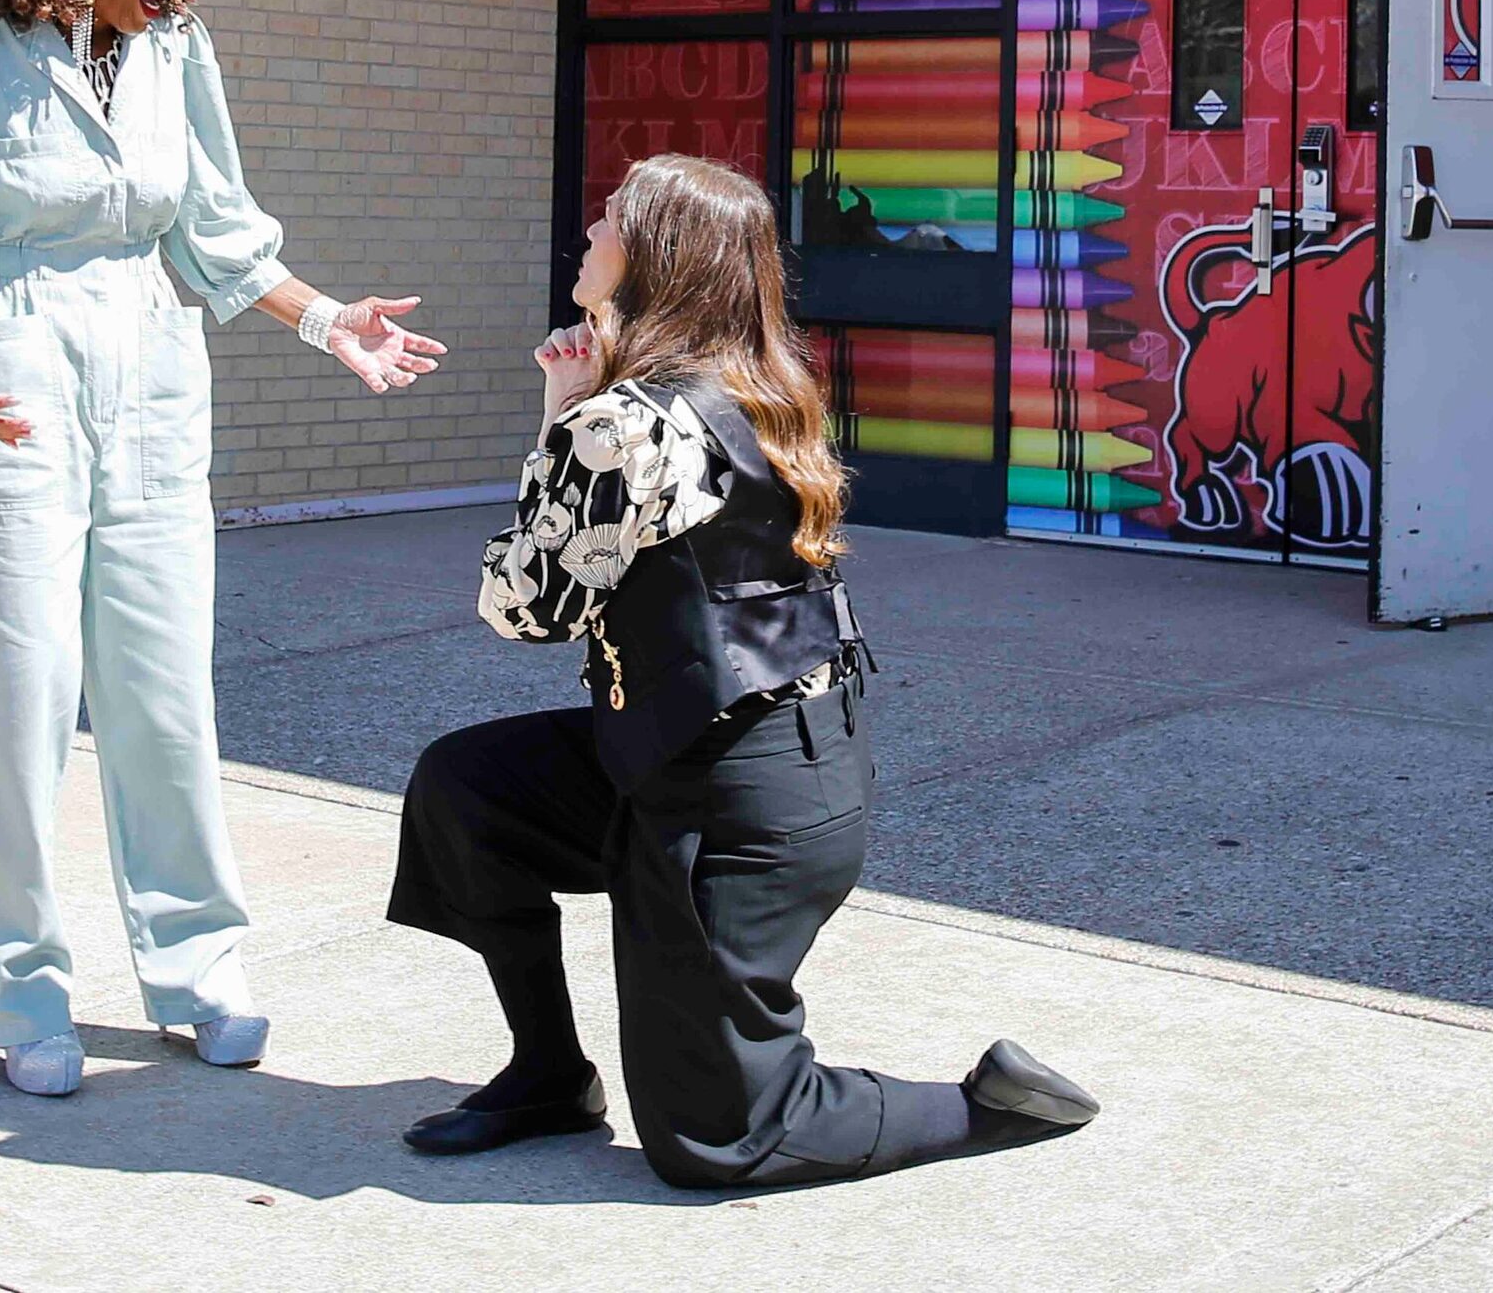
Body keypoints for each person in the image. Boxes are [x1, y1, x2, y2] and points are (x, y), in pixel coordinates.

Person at [0, 0, 446, 1097]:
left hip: (156, 368)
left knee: (165, 688)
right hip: (11, 355)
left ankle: (196, 967)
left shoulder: (178, 54)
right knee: (18, 695)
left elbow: (217, 230)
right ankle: (25, 987)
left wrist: (327, 319)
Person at [387, 155, 1096, 1185]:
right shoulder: (761, 388)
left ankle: (986, 1103)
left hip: (733, 811)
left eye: (611, 217)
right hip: (746, 763)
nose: (590, 228)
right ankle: (547, 1074)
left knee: (719, 1138)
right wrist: (573, 394)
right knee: (469, 788)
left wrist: (565, 411)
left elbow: (524, 608)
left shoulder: (622, 423)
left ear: (655, 258)